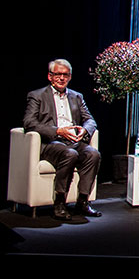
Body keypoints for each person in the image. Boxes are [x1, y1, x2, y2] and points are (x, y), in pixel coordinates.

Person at [23, 59, 102, 221]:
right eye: (57, 74)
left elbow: (90, 120)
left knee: (93, 154)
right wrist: (58, 131)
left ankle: (83, 201)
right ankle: (59, 202)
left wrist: (84, 130)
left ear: (70, 77)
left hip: (73, 140)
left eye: (65, 75)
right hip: (51, 142)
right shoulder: (37, 96)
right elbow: (29, 122)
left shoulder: (77, 97)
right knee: (70, 154)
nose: (61, 78)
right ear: (50, 76)